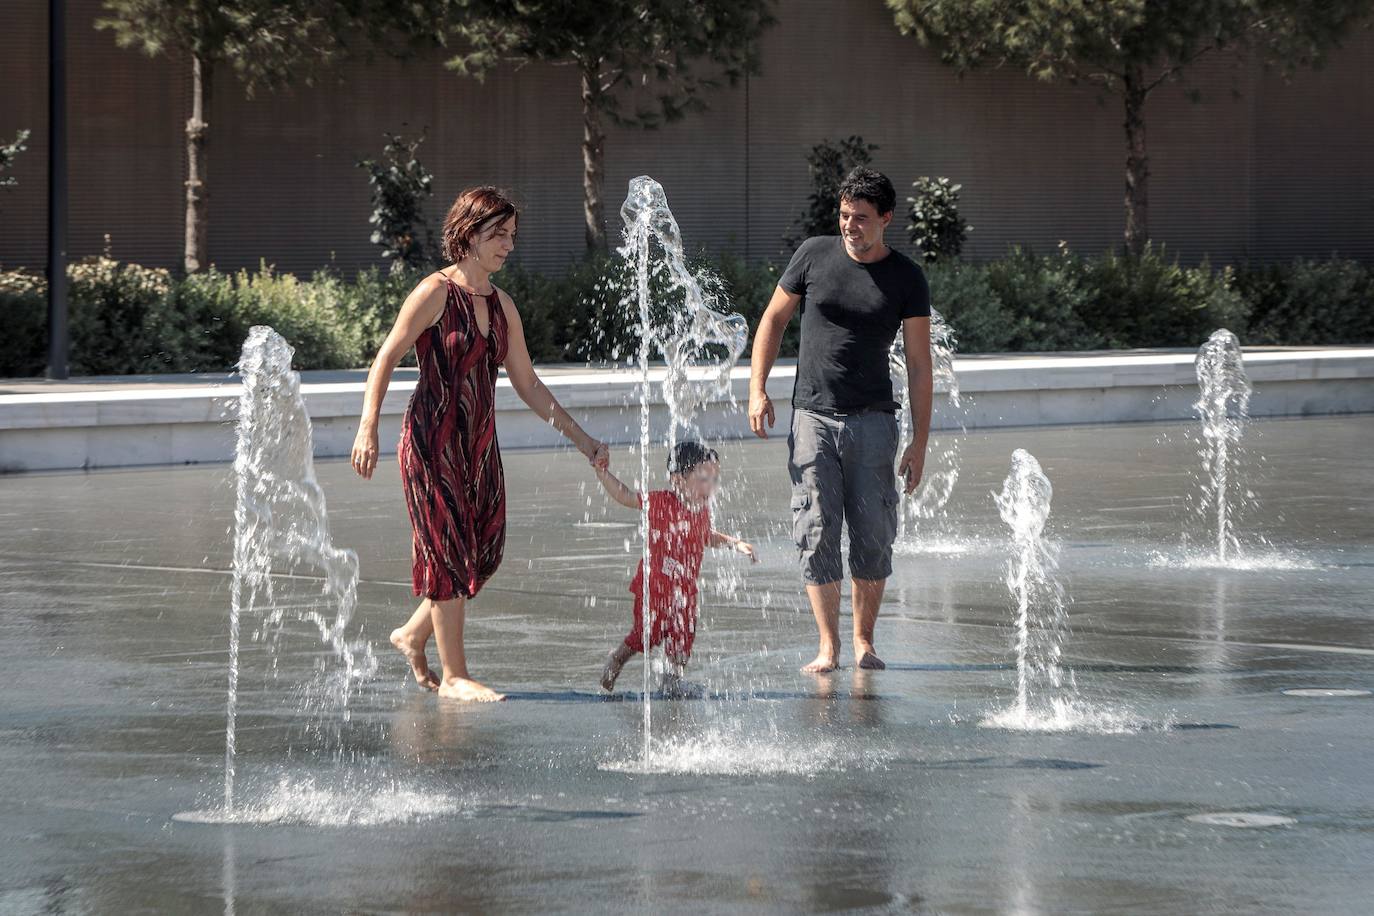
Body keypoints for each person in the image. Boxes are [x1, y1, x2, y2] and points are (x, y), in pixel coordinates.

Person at [351, 186, 610, 702]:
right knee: (448, 551)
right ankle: (455, 675)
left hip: (478, 447)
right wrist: (367, 426)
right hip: (430, 442)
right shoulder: (434, 293)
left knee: (483, 553)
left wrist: (585, 440)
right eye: (499, 234)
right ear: (468, 234)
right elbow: (385, 358)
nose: (509, 245)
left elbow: (529, 384)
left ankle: (413, 633)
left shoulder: (502, 305)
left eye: (513, 236)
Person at [747, 166, 934, 673]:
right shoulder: (813, 254)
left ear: (886, 219)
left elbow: (919, 364)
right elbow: (773, 319)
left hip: (873, 422)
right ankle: (828, 646)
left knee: (873, 532)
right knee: (817, 528)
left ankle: (864, 642)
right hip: (811, 417)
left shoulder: (906, 277)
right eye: (845, 215)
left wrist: (919, 442)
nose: (851, 226)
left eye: (863, 218)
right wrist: (757, 388)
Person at [594, 441, 757, 692]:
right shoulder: (661, 501)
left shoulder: (701, 510)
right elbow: (625, 496)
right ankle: (617, 658)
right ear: (678, 480)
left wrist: (734, 544)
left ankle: (672, 680)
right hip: (655, 588)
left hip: (685, 589)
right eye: (704, 478)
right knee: (646, 636)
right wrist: (602, 473)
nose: (711, 487)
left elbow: (705, 536)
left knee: (683, 637)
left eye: (714, 479)